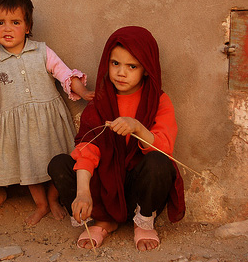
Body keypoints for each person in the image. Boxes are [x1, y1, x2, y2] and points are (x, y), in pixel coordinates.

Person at [48, 26, 185, 251]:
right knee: (59, 164)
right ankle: (103, 221)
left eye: (132, 66)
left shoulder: (157, 101)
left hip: (137, 191)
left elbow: (165, 146)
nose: (121, 73)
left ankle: (144, 222)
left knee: (160, 163)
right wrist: (83, 192)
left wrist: (138, 128)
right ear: (106, 63)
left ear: (147, 69)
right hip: (103, 189)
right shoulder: (101, 103)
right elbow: (88, 148)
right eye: (115, 64)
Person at [0, 0, 95, 226]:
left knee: (57, 160)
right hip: (18, 127)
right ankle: (40, 205)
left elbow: (64, 73)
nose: (7, 28)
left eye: (15, 22)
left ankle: (53, 200)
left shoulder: (42, 51)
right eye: (0, 22)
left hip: (49, 120)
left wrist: (83, 92)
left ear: (27, 27)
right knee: (27, 167)